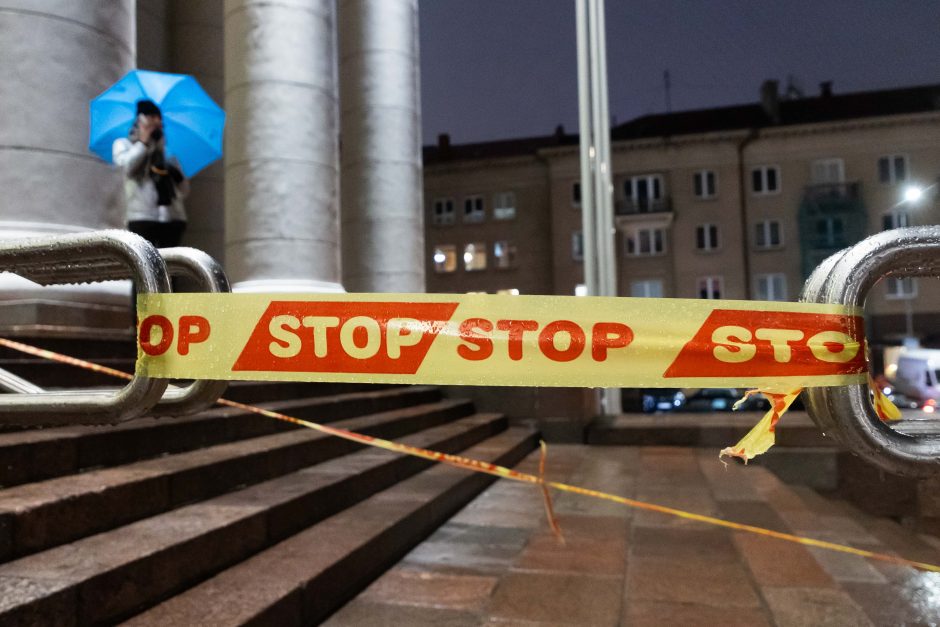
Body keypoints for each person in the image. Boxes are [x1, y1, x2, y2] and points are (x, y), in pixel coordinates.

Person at [112, 100, 188, 248]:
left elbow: (184, 191)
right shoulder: (124, 145)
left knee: (170, 267)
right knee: (146, 265)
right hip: (141, 217)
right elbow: (126, 169)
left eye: (158, 124)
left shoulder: (168, 154)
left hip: (173, 218)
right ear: (139, 122)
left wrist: (175, 173)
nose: (155, 127)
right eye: (150, 120)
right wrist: (144, 142)